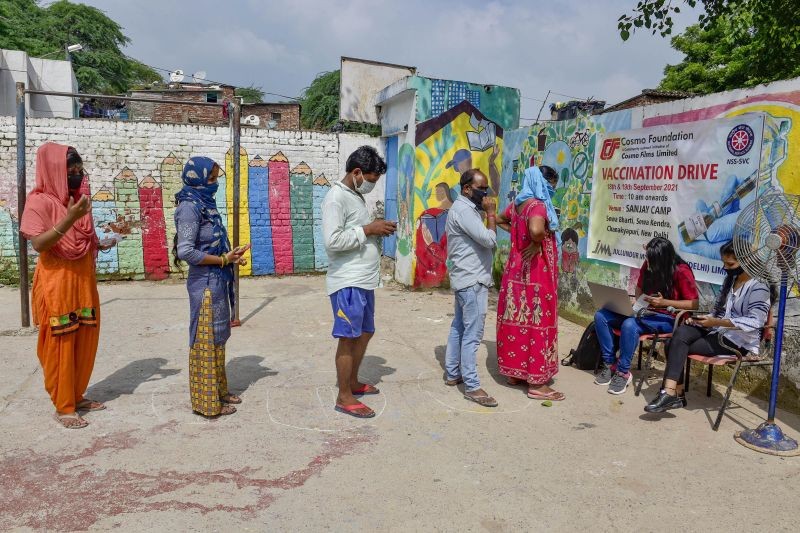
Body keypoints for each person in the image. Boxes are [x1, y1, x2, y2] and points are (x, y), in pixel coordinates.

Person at [20, 143, 114, 428]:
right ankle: (63, 406)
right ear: (53, 170)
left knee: (85, 338)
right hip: (57, 283)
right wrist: (70, 217)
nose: (76, 174)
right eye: (70, 169)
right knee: (61, 342)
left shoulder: (80, 199)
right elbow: (38, 243)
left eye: (79, 169)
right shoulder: (39, 202)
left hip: (83, 280)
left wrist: (109, 239)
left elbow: (86, 239)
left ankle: (76, 394)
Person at [645, 241, 772, 412]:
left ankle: (671, 394)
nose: (726, 268)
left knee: (672, 344)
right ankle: (674, 395)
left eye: (730, 264)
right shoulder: (731, 280)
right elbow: (718, 314)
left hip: (737, 341)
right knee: (680, 333)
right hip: (718, 332)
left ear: (746, 261)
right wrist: (702, 320)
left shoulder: (759, 286)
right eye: (724, 263)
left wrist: (716, 322)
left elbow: (756, 321)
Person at [322, 146, 396, 418]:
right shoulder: (335, 198)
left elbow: (356, 232)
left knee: (365, 332)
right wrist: (368, 229)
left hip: (364, 281)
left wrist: (375, 227)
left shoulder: (354, 196)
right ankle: (344, 396)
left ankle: (352, 381)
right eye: (371, 180)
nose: (371, 186)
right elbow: (332, 241)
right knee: (348, 338)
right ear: (356, 173)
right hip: (348, 282)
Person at [173, 156, 249, 418]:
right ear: (198, 179)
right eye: (212, 179)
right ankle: (207, 404)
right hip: (204, 283)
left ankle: (219, 390)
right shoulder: (189, 207)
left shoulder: (205, 203)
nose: (215, 184)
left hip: (217, 280)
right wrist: (222, 260)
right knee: (204, 340)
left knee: (217, 338)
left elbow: (210, 243)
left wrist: (230, 255)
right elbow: (186, 251)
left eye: (216, 179)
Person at [594, 237, 699, 395]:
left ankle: (623, 372)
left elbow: (694, 304)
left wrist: (664, 303)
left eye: (650, 259)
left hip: (668, 318)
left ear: (662, 258)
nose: (647, 262)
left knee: (629, 325)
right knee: (601, 316)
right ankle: (610, 365)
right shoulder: (648, 265)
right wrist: (638, 303)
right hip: (644, 312)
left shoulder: (681, 270)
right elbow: (639, 288)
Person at [495, 165, 564, 401]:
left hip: (516, 270)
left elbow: (499, 219)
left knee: (517, 318)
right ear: (543, 184)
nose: (552, 191)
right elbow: (536, 229)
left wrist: (518, 233)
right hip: (535, 272)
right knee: (537, 319)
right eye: (551, 187)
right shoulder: (537, 205)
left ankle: (515, 374)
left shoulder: (518, 203)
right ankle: (537, 382)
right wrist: (536, 241)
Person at [444, 168, 498, 407]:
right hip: (472, 280)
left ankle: (453, 372)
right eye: (481, 189)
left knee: (459, 327)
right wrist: (492, 215)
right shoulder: (465, 211)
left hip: (464, 278)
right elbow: (489, 240)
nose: (485, 193)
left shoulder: (463, 208)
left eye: (486, 188)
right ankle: (472, 386)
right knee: (473, 334)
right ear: (467, 188)